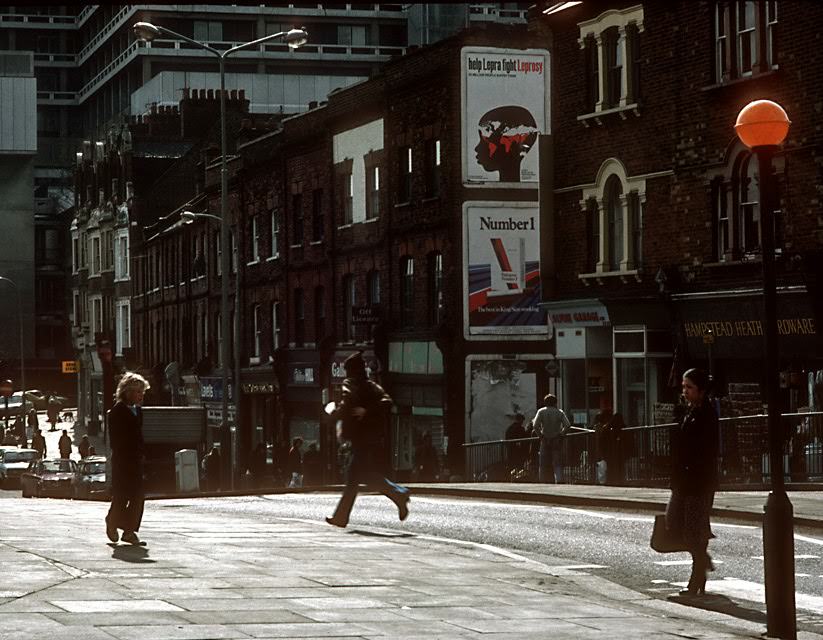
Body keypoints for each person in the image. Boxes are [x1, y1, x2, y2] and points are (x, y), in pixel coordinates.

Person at [326, 351, 410, 528]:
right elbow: (387, 401)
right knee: (362, 476)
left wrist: (333, 413)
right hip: (371, 438)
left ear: (350, 371)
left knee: (353, 479)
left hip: (360, 439)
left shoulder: (349, 384)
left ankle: (341, 518)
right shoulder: (372, 386)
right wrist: (369, 410)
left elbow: (346, 404)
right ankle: (398, 494)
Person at [667, 368, 719, 597]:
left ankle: (697, 578)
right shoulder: (688, 411)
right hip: (683, 480)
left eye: (689, 387)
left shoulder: (706, 414)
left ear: (700, 390)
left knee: (692, 531)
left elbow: (705, 449)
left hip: (698, 481)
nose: (685, 391)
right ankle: (702, 564)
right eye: (683, 386)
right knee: (675, 524)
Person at [105, 371, 150, 546]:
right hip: (123, 462)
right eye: (138, 392)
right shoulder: (116, 412)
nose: (141, 396)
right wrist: (127, 456)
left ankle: (129, 531)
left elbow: (139, 436)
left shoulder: (138, 411)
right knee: (122, 496)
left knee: (138, 496)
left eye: (142, 392)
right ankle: (112, 522)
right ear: (128, 392)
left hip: (136, 460)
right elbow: (117, 441)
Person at [531, 394, 571, 483]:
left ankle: (543, 480)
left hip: (545, 439)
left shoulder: (541, 411)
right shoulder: (559, 412)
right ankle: (559, 480)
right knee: (557, 462)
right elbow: (567, 425)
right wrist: (561, 435)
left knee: (543, 463)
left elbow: (535, 425)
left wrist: (541, 436)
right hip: (556, 439)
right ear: (555, 402)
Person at [605, 413, 627, 486]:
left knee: (611, 467)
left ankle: (611, 480)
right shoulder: (623, 428)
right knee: (620, 467)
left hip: (610, 452)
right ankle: (620, 480)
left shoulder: (608, 428)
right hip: (620, 452)